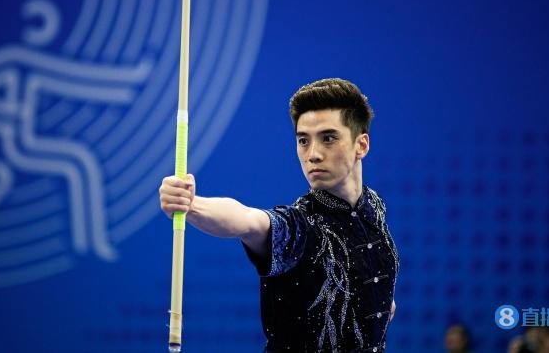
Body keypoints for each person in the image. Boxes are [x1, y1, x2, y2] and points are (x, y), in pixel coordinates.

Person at [159, 78, 399, 352]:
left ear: (361, 145)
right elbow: (248, 221)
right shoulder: (299, 228)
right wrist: (191, 204)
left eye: (328, 138)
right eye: (303, 141)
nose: (313, 154)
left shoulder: (374, 206)